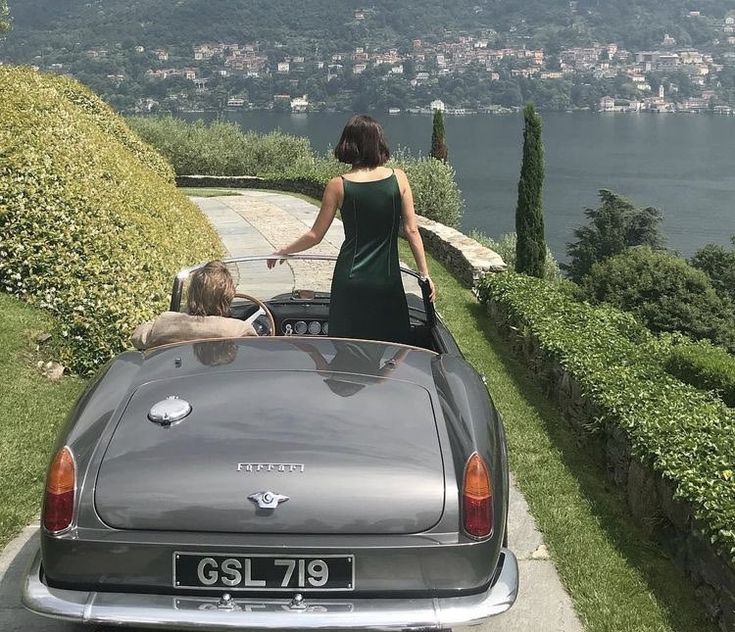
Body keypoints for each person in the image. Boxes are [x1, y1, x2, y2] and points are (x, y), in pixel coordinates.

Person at [268, 114, 435, 344]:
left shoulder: (338, 185)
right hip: (387, 280)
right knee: (393, 346)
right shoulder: (399, 178)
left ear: (349, 144)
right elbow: (411, 230)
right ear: (378, 142)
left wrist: (284, 251)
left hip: (351, 279)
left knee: (347, 347)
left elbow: (315, 236)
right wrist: (425, 275)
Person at [131, 260, 257, 350]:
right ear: (228, 297)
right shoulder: (240, 330)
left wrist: (185, 311)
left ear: (191, 293)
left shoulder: (165, 323)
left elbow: (137, 337)